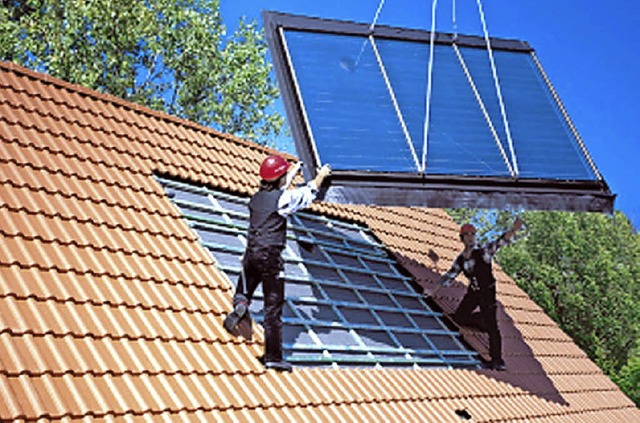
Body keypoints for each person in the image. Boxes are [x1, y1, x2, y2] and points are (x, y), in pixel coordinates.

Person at [223, 154, 331, 372]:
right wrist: (321, 176)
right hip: (270, 259)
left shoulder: (255, 199)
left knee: (246, 284)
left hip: (251, 253)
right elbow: (307, 194)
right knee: (273, 308)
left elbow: (278, 190)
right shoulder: (284, 200)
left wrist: (292, 171)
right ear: (279, 178)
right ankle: (273, 357)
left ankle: (241, 304)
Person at [436, 217, 523, 371]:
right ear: (462, 238)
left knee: (492, 327)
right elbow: (449, 276)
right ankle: (482, 321)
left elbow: (500, 242)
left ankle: (497, 360)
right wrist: (433, 290)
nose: (470, 237)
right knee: (459, 317)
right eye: (467, 235)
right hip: (473, 292)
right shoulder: (461, 259)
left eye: (472, 234)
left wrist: (513, 230)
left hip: (487, 292)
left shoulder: (484, 252)